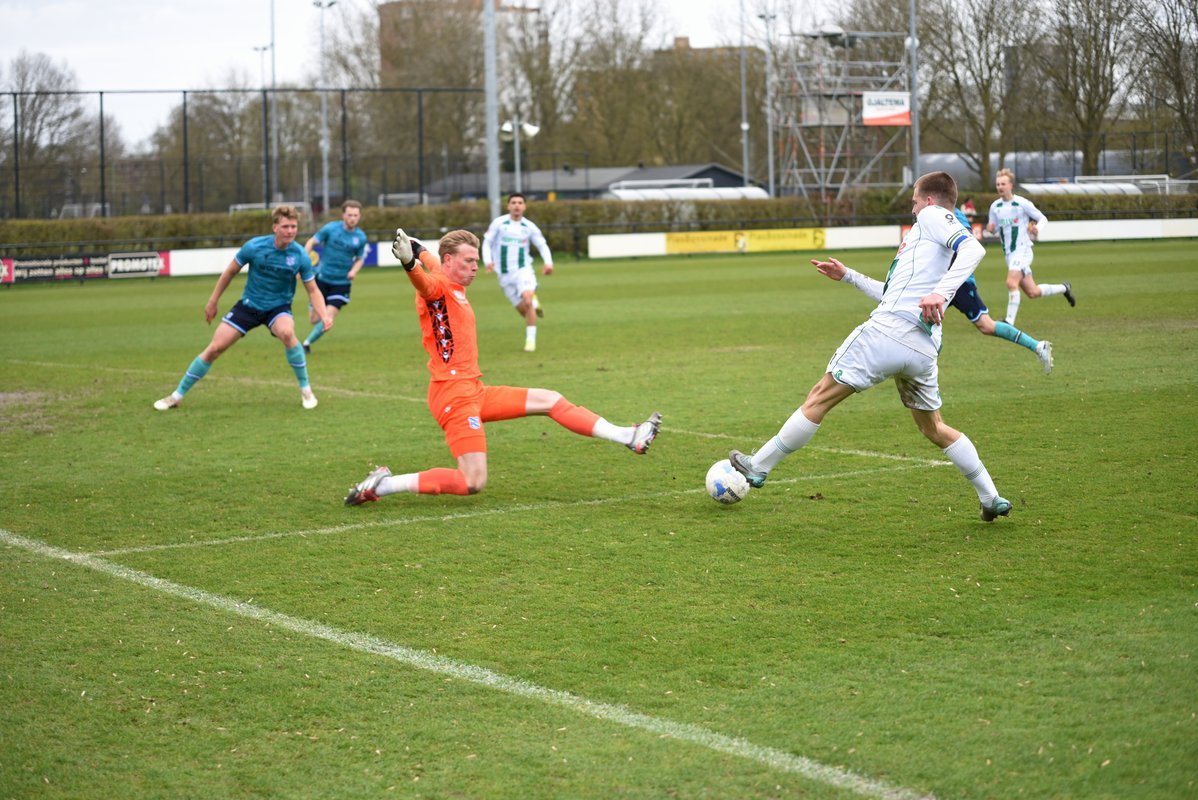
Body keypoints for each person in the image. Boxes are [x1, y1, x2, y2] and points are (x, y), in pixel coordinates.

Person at [728, 172, 1012, 522]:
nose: (912, 208)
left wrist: (940, 293)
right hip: (922, 348)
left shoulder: (932, 215)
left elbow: (974, 248)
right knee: (934, 428)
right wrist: (849, 276)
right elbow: (892, 293)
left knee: (819, 397)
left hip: (887, 332)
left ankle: (758, 466)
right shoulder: (926, 242)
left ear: (929, 200)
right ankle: (990, 496)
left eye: (914, 201)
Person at [344, 229, 660, 504]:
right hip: (453, 395)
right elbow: (424, 284)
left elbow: (431, 260)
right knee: (473, 481)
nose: (475, 266)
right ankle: (383, 485)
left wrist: (417, 248)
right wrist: (409, 264)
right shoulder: (438, 288)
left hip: (473, 390)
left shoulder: (446, 275)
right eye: (469, 261)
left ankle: (628, 436)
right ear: (450, 260)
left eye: (476, 259)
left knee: (550, 399)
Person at [153, 205, 332, 411]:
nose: (290, 231)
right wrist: (213, 301)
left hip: (278, 307)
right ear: (275, 227)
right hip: (249, 305)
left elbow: (313, 290)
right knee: (215, 348)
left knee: (287, 333)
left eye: (293, 226)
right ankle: (176, 396)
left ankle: (306, 390)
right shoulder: (254, 247)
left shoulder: (300, 255)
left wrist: (324, 315)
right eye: (285, 226)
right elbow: (229, 272)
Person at [986, 168, 1075, 325]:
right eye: (998, 184)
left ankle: (1009, 322)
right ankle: (1064, 288)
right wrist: (991, 228)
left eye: (1003, 184)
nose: (1000, 187)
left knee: (1011, 283)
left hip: (1023, 250)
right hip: (1009, 254)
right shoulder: (995, 207)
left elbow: (1043, 218)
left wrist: (1037, 229)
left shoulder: (1022, 203)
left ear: (1011, 185)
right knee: (1032, 292)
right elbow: (993, 227)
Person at [481, 192, 554, 352]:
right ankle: (534, 303)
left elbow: (542, 245)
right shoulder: (499, 223)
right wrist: (488, 261)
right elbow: (487, 243)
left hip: (523, 270)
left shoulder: (529, 226)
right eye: (513, 202)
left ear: (524, 206)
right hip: (504, 274)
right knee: (525, 311)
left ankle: (530, 341)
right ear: (508, 206)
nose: (516, 205)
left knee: (527, 301)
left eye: (520, 203)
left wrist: (548, 263)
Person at [301, 199, 369, 353]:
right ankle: (314, 306)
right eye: (350, 215)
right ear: (343, 215)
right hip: (322, 279)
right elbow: (312, 241)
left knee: (328, 317)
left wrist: (353, 271)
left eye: (356, 215)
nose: (352, 218)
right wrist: (303, 259)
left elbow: (360, 259)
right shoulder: (331, 229)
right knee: (314, 319)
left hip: (342, 284)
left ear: (359, 217)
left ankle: (306, 343)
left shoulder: (360, 237)